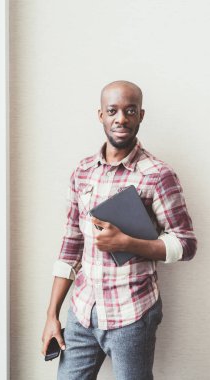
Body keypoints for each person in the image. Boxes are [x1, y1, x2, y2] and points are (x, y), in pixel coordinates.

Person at [41, 80, 197, 380]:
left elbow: (186, 244)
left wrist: (127, 242)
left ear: (141, 115)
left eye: (130, 110)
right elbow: (70, 244)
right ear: (100, 115)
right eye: (112, 111)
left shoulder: (158, 174)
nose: (121, 118)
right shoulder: (82, 171)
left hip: (133, 313)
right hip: (82, 312)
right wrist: (51, 315)